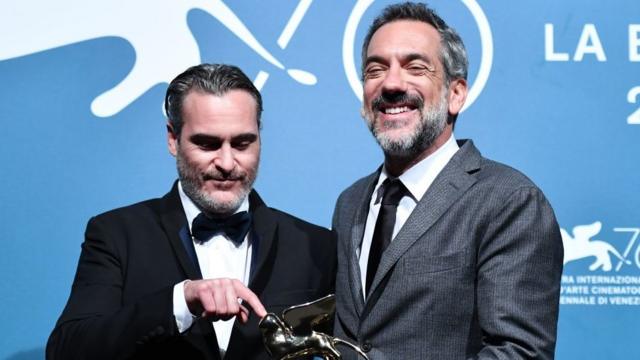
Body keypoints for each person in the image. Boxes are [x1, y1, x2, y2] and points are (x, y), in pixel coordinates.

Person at [47, 64, 336, 360]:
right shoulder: (117, 234)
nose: (226, 162)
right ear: (173, 139)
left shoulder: (316, 246)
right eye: (207, 144)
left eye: (242, 143)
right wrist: (179, 303)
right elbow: (67, 349)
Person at [332, 2, 564, 359]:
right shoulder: (349, 203)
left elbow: (519, 353)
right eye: (375, 69)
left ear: (456, 94)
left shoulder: (509, 202)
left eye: (416, 67)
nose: (392, 84)